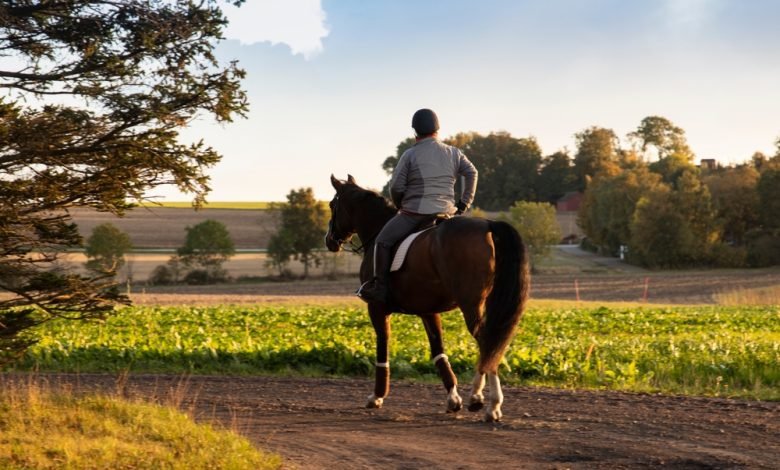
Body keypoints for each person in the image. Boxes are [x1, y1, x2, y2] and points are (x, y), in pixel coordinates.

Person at [358, 108, 478, 303]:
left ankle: (380, 287)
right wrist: (464, 203)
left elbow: (396, 186)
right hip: (446, 214)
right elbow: (472, 173)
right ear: (437, 129)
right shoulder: (454, 152)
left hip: (414, 213)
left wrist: (400, 206)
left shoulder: (410, 154)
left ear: (415, 131)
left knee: (382, 241)